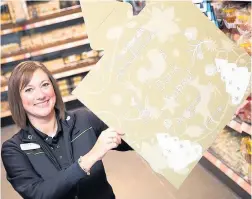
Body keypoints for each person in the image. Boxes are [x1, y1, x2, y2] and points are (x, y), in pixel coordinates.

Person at [1, 61, 133, 199]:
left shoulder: (84, 119)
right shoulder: (13, 150)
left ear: (53, 87)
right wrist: (90, 158)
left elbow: (132, 140)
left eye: (45, 85)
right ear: (18, 99)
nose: (40, 95)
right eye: (29, 89)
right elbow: (38, 194)